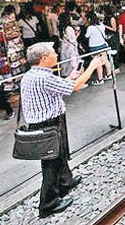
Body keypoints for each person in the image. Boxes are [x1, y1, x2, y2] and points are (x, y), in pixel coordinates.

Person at [20, 42, 106, 218]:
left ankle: (66, 182)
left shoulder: (31, 75)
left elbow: (57, 87)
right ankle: (48, 203)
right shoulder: (44, 77)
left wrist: (71, 77)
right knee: (51, 163)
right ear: (44, 58)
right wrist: (92, 67)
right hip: (47, 124)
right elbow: (73, 88)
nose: (56, 55)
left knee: (60, 154)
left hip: (47, 122)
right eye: (52, 53)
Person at [85, 12, 111, 85]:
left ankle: (100, 79)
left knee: (98, 63)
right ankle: (109, 74)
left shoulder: (90, 28)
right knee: (105, 60)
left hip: (94, 47)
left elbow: (86, 36)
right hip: (102, 45)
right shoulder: (102, 26)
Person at [57, 13, 80, 79]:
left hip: (64, 49)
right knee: (74, 65)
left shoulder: (61, 29)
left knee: (66, 65)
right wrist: (77, 35)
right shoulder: (69, 28)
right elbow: (73, 40)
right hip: (71, 49)